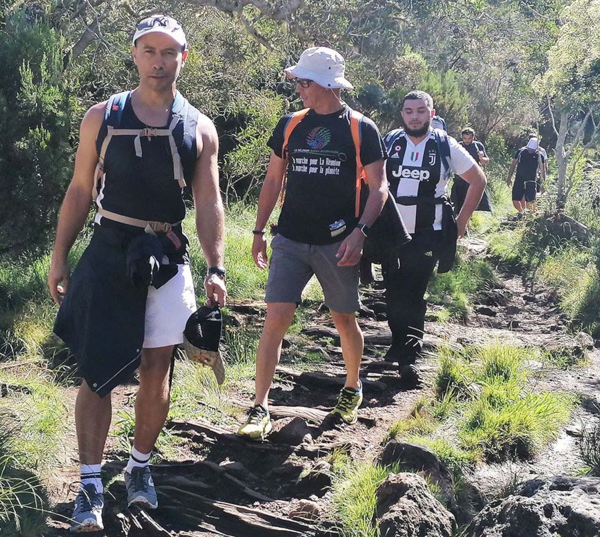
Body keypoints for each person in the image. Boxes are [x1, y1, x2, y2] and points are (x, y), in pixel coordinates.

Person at [47, 15, 226, 532]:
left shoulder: (200, 128)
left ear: (183, 58)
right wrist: (60, 254)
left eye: (169, 52)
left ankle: (140, 469)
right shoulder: (101, 117)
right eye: (149, 50)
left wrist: (216, 266)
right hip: (109, 248)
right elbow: (81, 189)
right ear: (135, 55)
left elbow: (209, 200)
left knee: (156, 366)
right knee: (98, 371)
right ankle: (88, 484)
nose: (159, 61)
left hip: (168, 253)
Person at [236, 47, 389, 440]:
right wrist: (258, 231)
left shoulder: (360, 128)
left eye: (303, 82)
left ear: (324, 84)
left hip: (338, 243)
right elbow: (273, 181)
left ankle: (352, 388)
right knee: (275, 318)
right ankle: (259, 407)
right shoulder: (291, 124)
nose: (299, 89)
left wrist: (360, 232)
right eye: (299, 82)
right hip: (289, 238)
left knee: (343, 319)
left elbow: (379, 187)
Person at [382, 91, 487, 370]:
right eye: (408, 111)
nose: (414, 116)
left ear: (431, 112)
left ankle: (410, 355)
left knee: (414, 293)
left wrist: (461, 223)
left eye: (420, 110)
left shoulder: (445, 145)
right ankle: (397, 342)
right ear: (402, 114)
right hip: (391, 232)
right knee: (392, 292)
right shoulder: (391, 141)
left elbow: (478, 180)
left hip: (428, 232)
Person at [451, 127, 492, 214]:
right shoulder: (458, 146)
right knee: (457, 205)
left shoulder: (478, 146)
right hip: (460, 180)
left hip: (473, 180)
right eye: (465, 138)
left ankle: (467, 223)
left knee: (471, 204)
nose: (467, 140)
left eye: (469, 138)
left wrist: (481, 157)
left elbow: (486, 161)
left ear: (473, 137)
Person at [507, 137, 546, 214]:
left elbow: (542, 170)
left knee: (530, 201)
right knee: (515, 200)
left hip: (531, 181)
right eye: (529, 149)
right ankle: (522, 212)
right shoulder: (521, 152)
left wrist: (543, 184)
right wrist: (509, 178)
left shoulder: (539, 156)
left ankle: (533, 215)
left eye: (533, 149)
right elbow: (513, 165)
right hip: (519, 179)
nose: (530, 150)